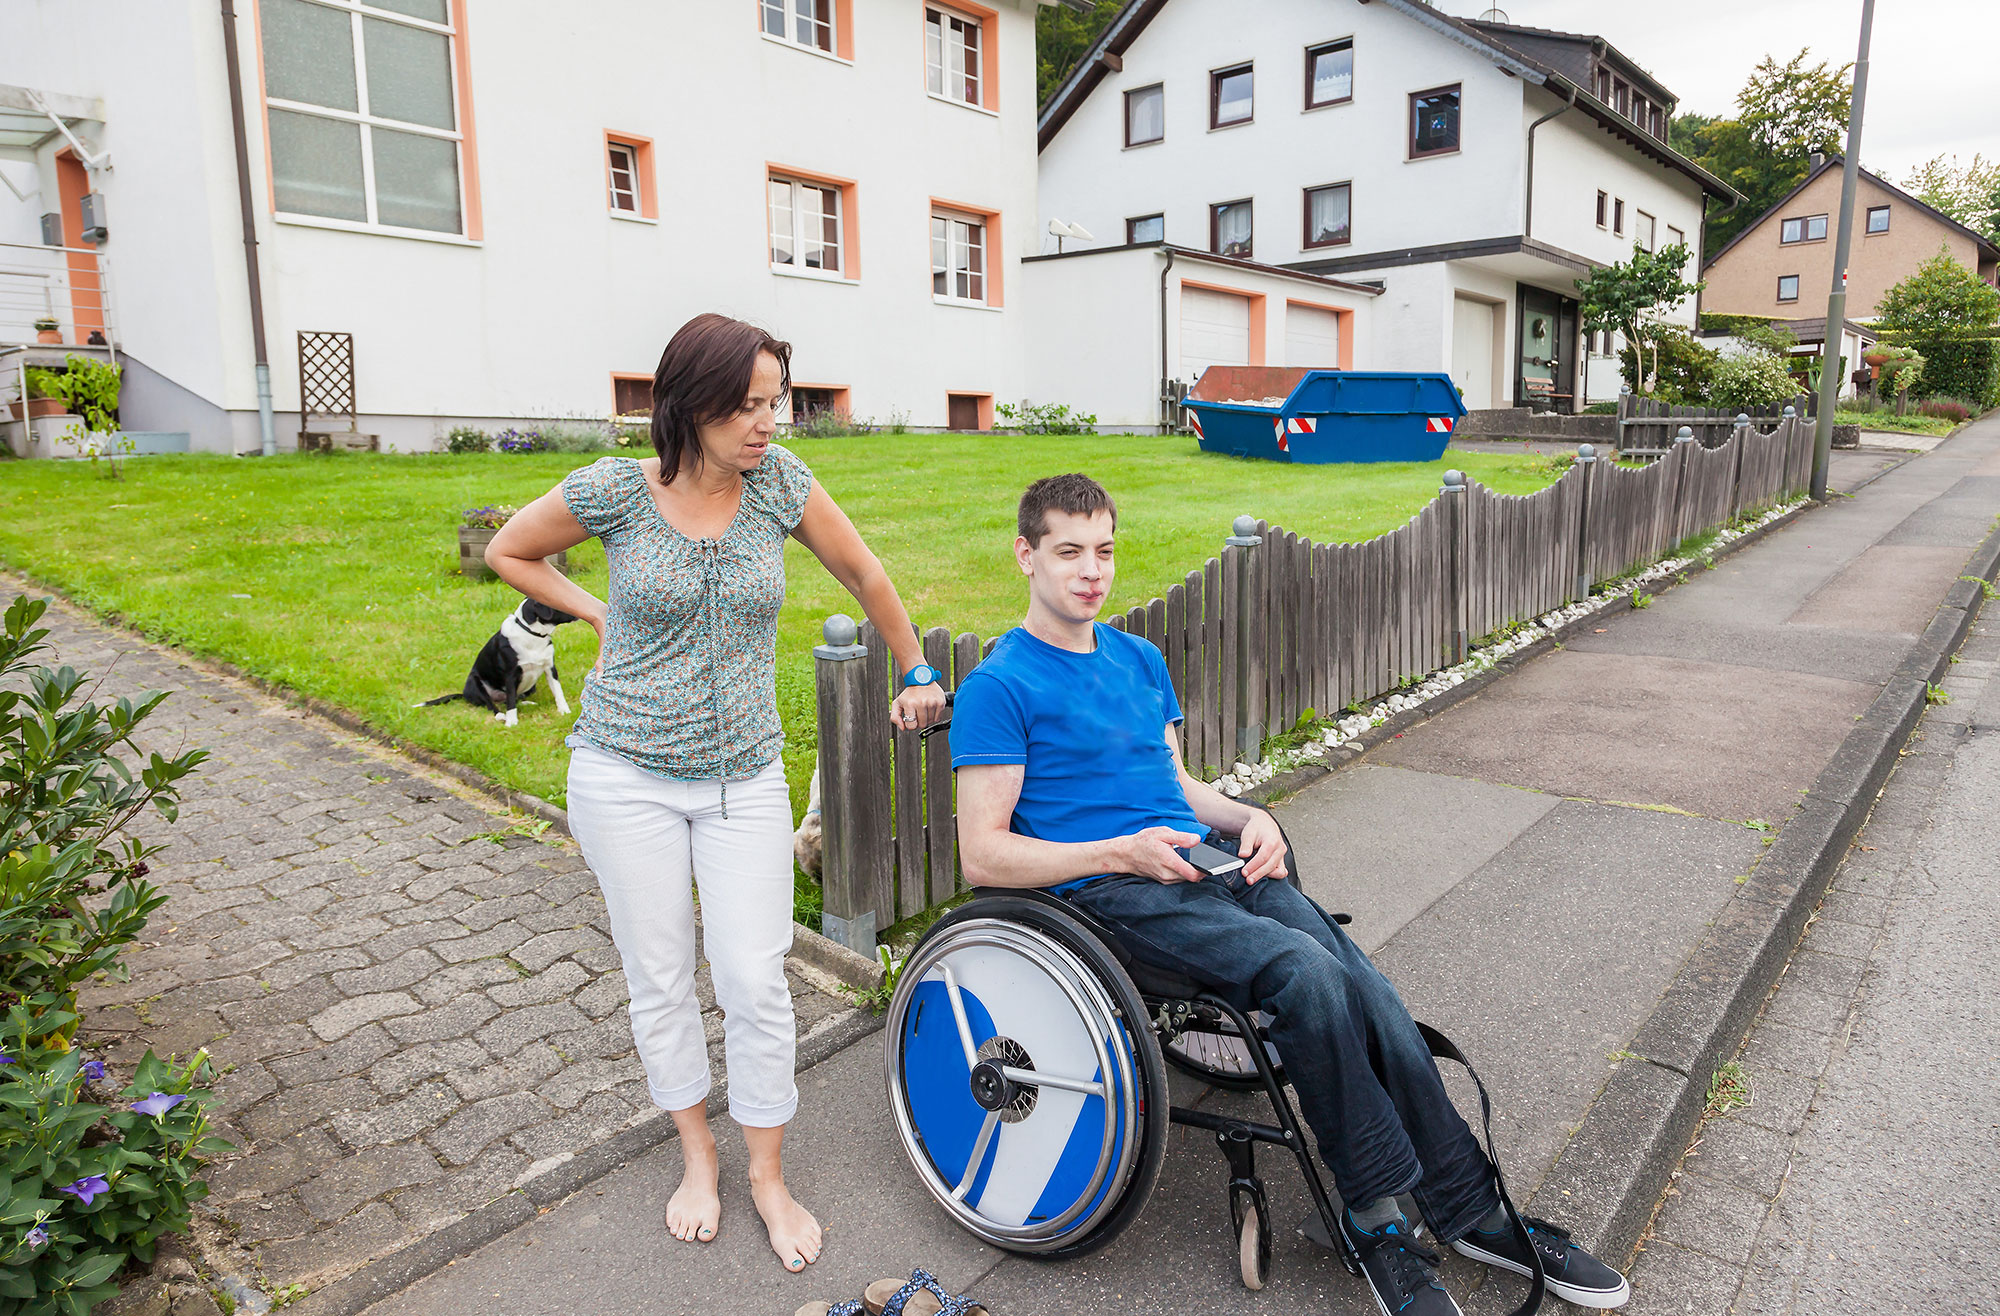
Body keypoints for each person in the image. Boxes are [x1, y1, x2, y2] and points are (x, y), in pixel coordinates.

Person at [946, 473, 1630, 1314]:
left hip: (1206, 859)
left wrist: (1252, 815)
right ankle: (1376, 1219)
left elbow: (1180, 787)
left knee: (1364, 985)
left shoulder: (1138, 659)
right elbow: (982, 855)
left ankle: (1470, 1205)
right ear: (1027, 555)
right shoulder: (999, 685)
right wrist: (1119, 853)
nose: (1092, 571)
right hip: (1110, 895)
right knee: (1306, 977)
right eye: (1069, 552)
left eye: (1105, 552)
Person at [485, 314, 946, 1273]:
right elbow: (511, 551)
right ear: (686, 407)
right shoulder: (616, 491)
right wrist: (596, 607)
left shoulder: (781, 485)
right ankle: (698, 1156)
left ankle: (767, 1175)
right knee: (660, 977)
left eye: (775, 401)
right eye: (745, 406)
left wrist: (914, 671)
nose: (766, 422)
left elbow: (863, 571)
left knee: (752, 980)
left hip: (743, 778)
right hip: (622, 775)